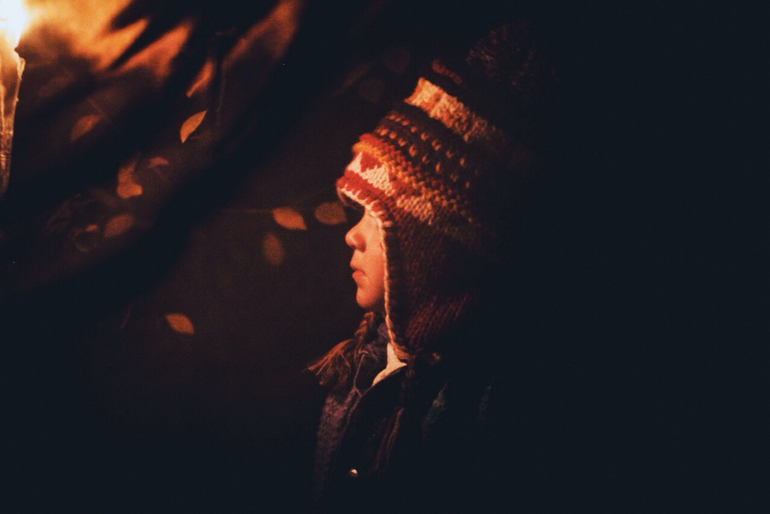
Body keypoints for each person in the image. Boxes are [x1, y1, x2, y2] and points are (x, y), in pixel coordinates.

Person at [309, 22, 555, 513]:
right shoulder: (366, 358)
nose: (351, 235)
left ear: (437, 250)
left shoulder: (481, 403)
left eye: (379, 218)